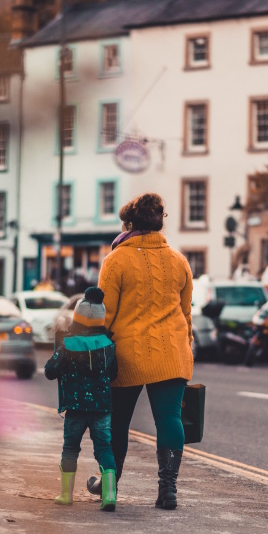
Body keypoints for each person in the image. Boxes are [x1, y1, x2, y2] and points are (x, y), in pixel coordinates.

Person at [88, 193, 193, 510]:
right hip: (172, 352)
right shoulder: (179, 261)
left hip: (127, 354)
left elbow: (103, 315)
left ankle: (110, 486)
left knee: (117, 423)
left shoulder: (116, 260)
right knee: (170, 419)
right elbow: (186, 312)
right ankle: (168, 490)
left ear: (130, 225)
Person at [44, 287, 119, 511]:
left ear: (77, 317)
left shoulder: (67, 345)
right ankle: (109, 495)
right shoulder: (109, 346)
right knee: (104, 448)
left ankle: (66, 495)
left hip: (75, 408)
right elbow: (113, 373)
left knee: (70, 448)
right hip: (101, 408)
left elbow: (49, 371)